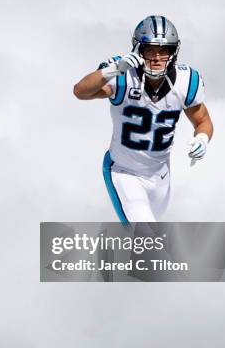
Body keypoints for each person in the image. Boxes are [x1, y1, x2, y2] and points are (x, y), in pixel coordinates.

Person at [73, 15, 213, 223]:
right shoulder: (123, 74)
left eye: (163, 50)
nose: (157, 57)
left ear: (173, 52)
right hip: (124, 171)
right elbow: (80, 91)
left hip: (161, 175)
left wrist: (202, 138)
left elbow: (203, 121)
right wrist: (112, 70)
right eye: (150, 50)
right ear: (138, 49)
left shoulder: (186, 81)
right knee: (147, 237)